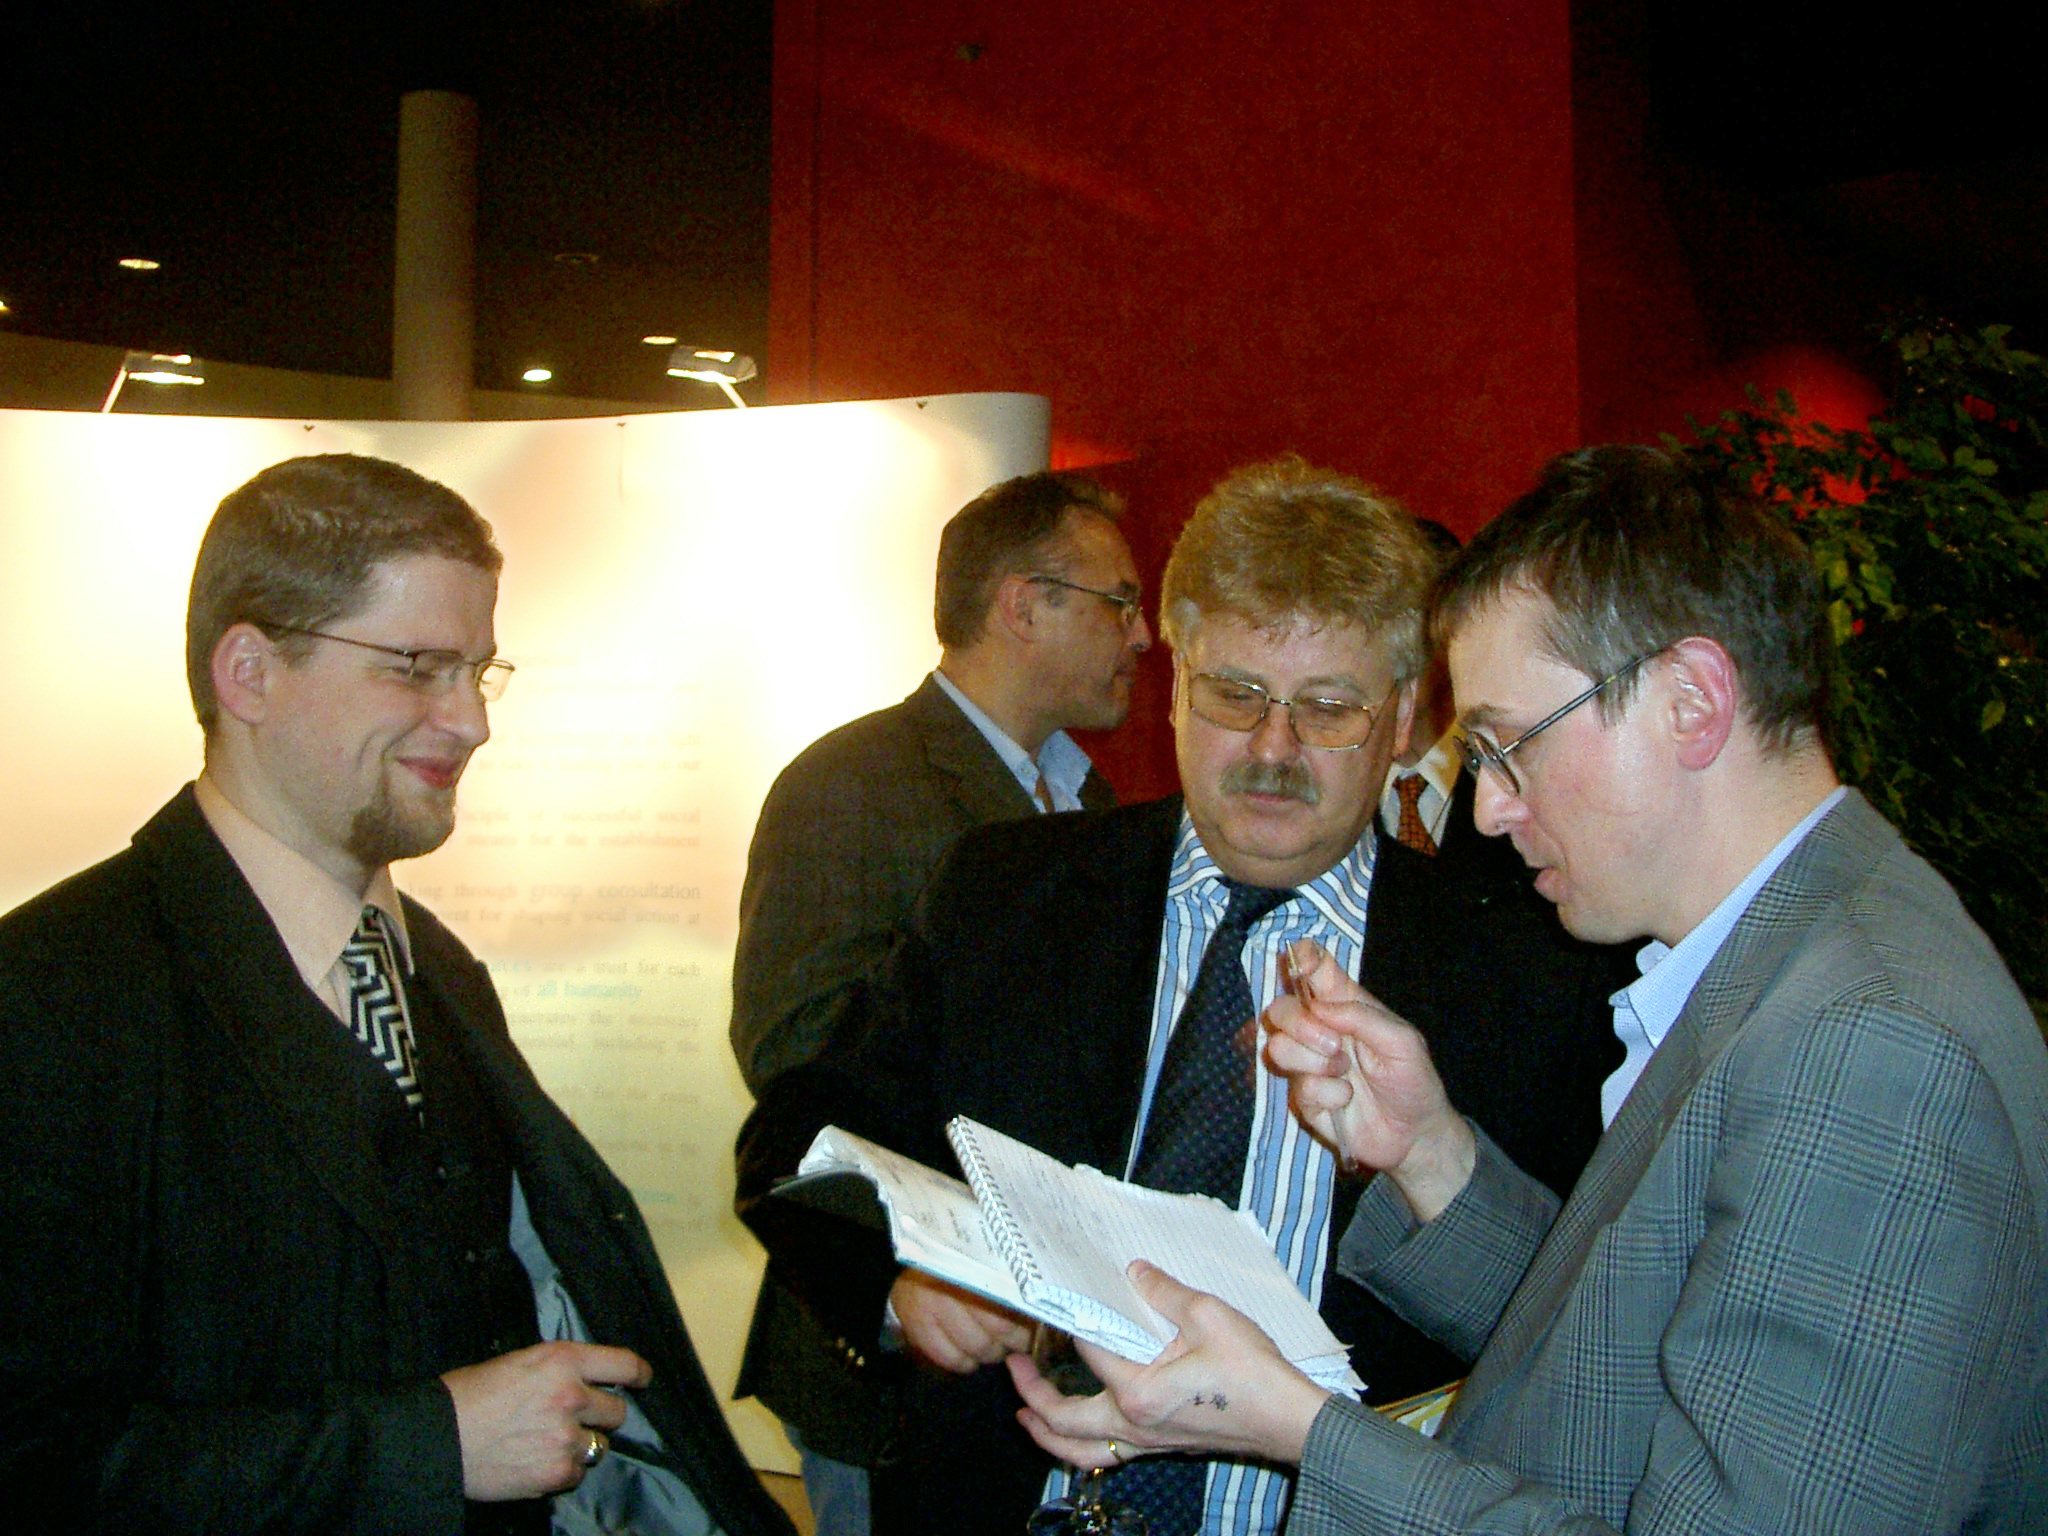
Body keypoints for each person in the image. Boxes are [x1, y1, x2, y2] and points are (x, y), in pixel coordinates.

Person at [1008, 444, 2048, 1534]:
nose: (1489, 810)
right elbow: (1618, 1363)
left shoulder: (1867, 1047)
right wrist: (1430, 1152)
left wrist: (1299, 1430)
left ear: (1690, 703)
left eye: (1508, 748)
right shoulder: (1798, 965)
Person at [737, 455, 1627, 1536]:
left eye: (1327, 709)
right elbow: (798, 1133)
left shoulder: (1529, 972)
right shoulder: (1006, 893)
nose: (1270, 749)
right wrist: (902, 1281)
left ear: (1402, 721)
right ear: (1173, 689)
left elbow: (1584, 1325)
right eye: (1233, 695)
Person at [0, 453, 795, 1536]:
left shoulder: (437, 969)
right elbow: (39, 1464)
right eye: (417, 666)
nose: (471, 722)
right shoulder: (52, 999)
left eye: (480, 670)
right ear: (248, 673)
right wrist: (427, 1447)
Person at [728, 471, 1146, 1532]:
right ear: (1022, 604)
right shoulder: (850, 783)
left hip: (1033, 1347)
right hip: (901, 1339)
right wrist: (927, 1257)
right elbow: (796, 1055)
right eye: (1118, 602)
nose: (1141, 638)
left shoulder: (1083, 797)